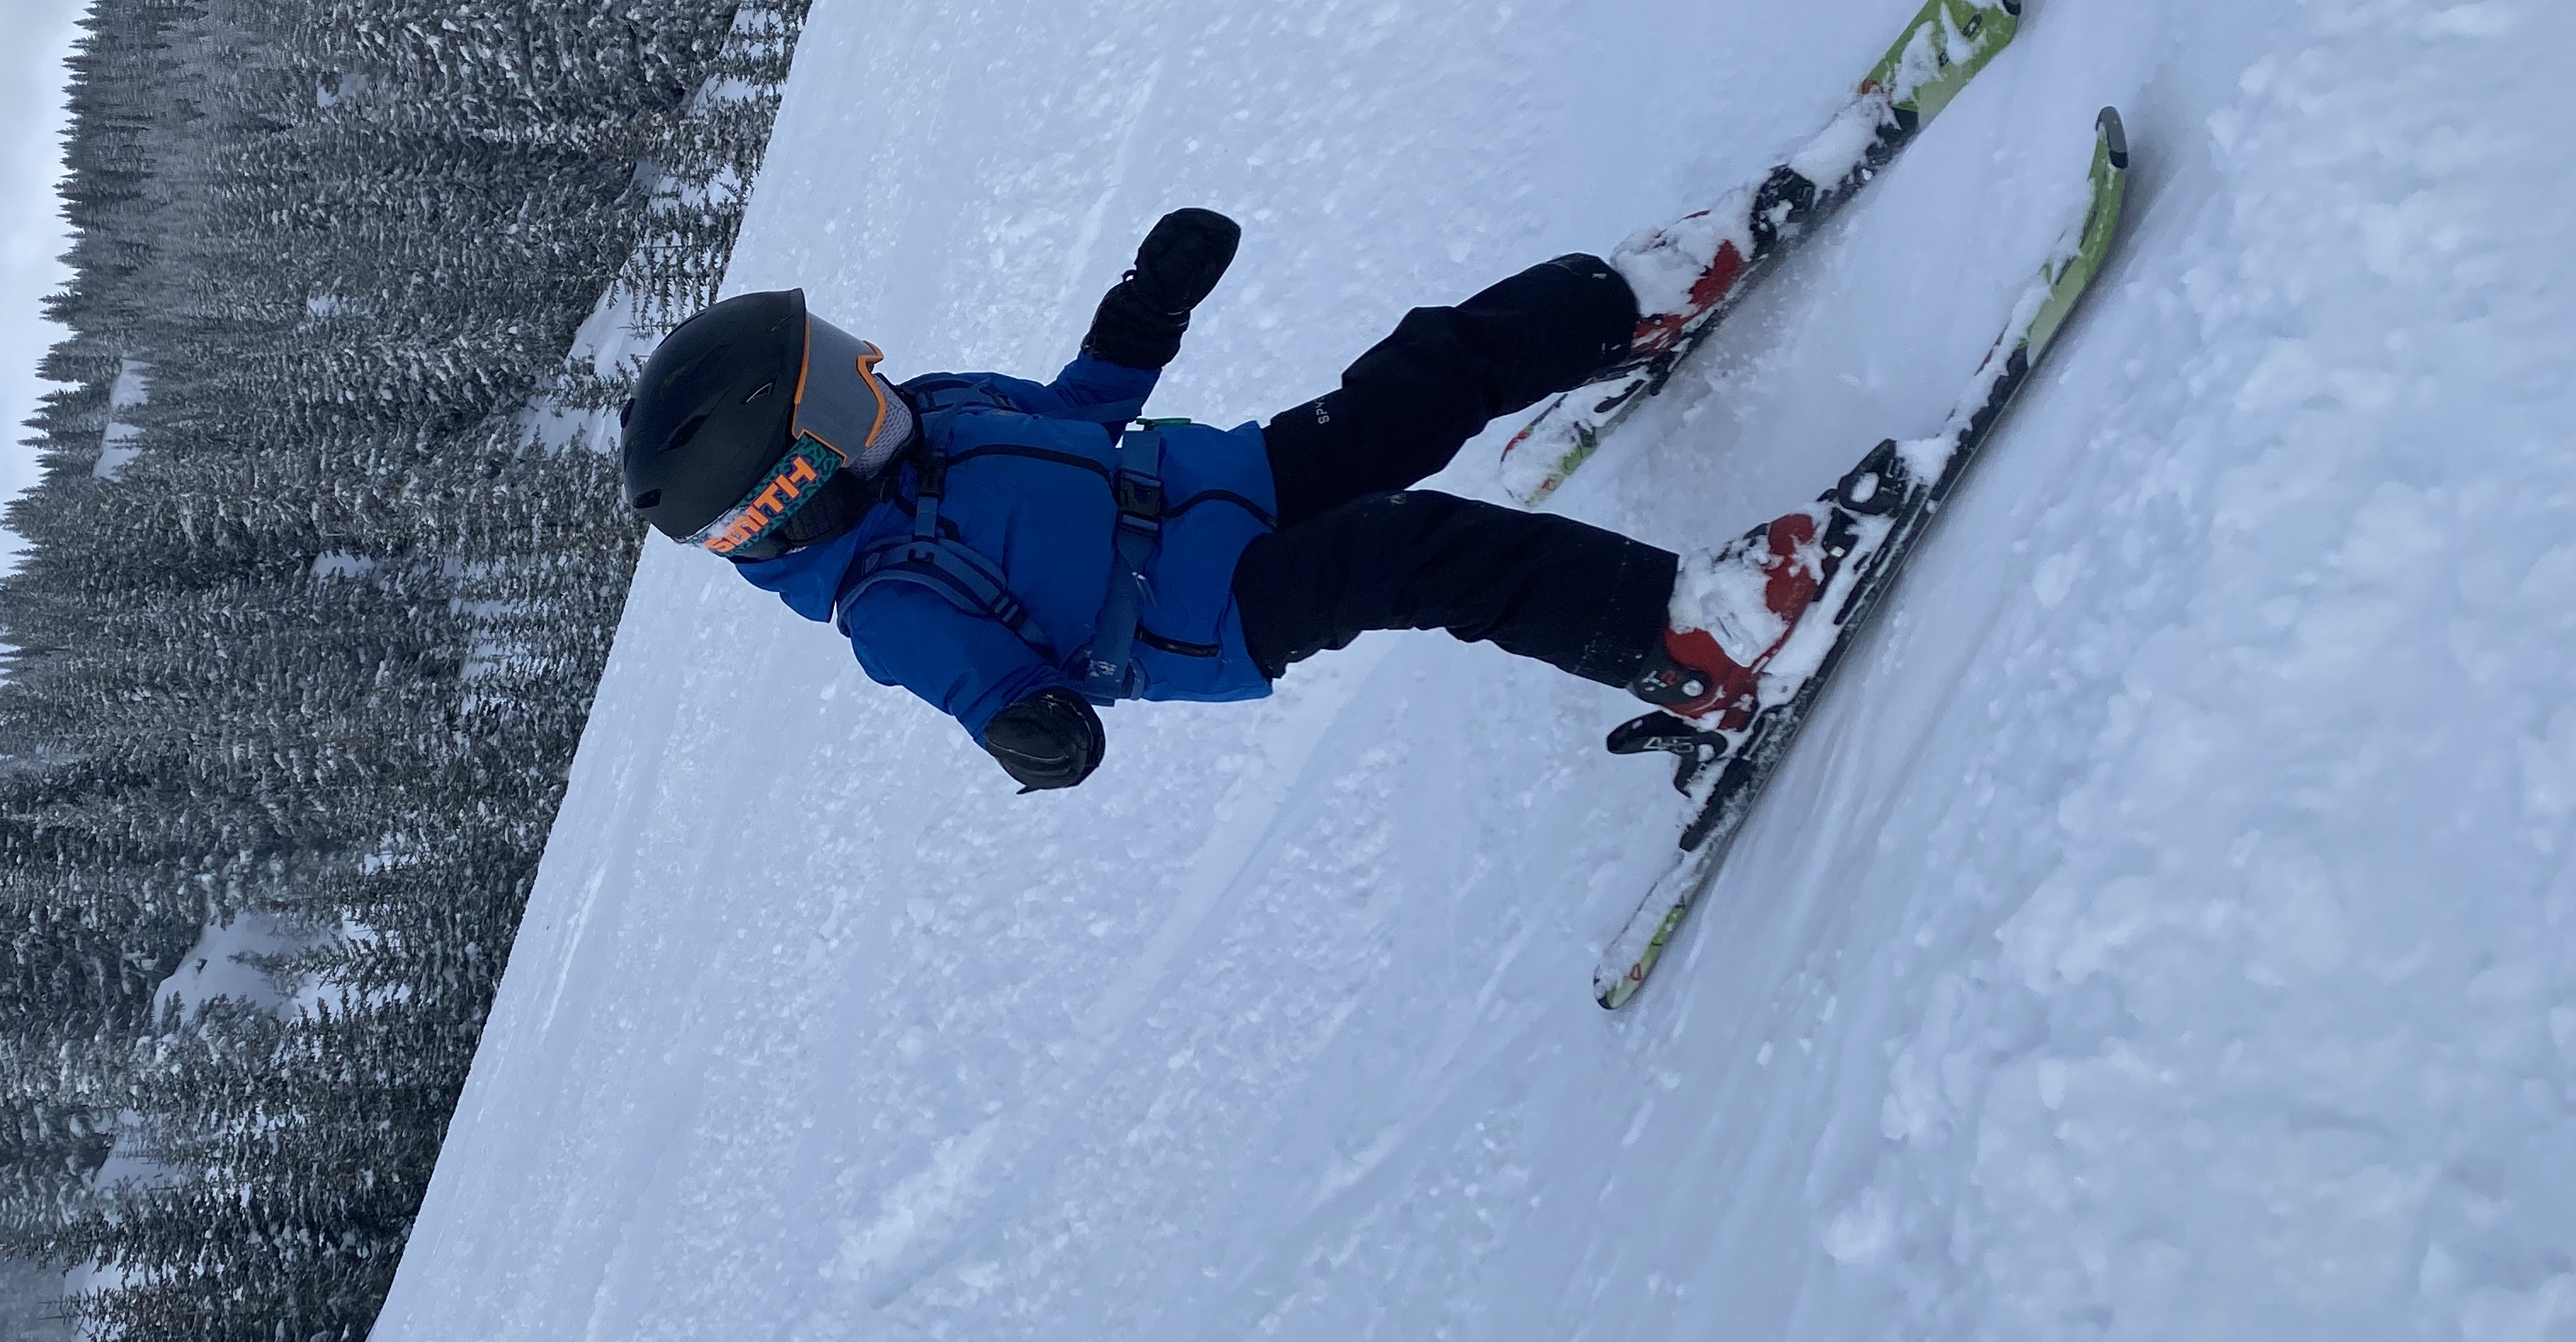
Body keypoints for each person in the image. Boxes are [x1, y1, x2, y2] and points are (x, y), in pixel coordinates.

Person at [617, 211, 1831, 791]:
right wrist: (1034, 733)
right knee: (1415, 551)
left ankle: (1629, 305)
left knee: (1426, 371)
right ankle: (1693, 644)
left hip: (1220, 481)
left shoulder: (921, 416)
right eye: (839, 389)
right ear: (797, 487)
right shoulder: (885, 602)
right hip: (1211, 612)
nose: (871, 370)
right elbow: (990, 689)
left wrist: (1146, 307)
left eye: (843, 356)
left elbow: (1076, 414)